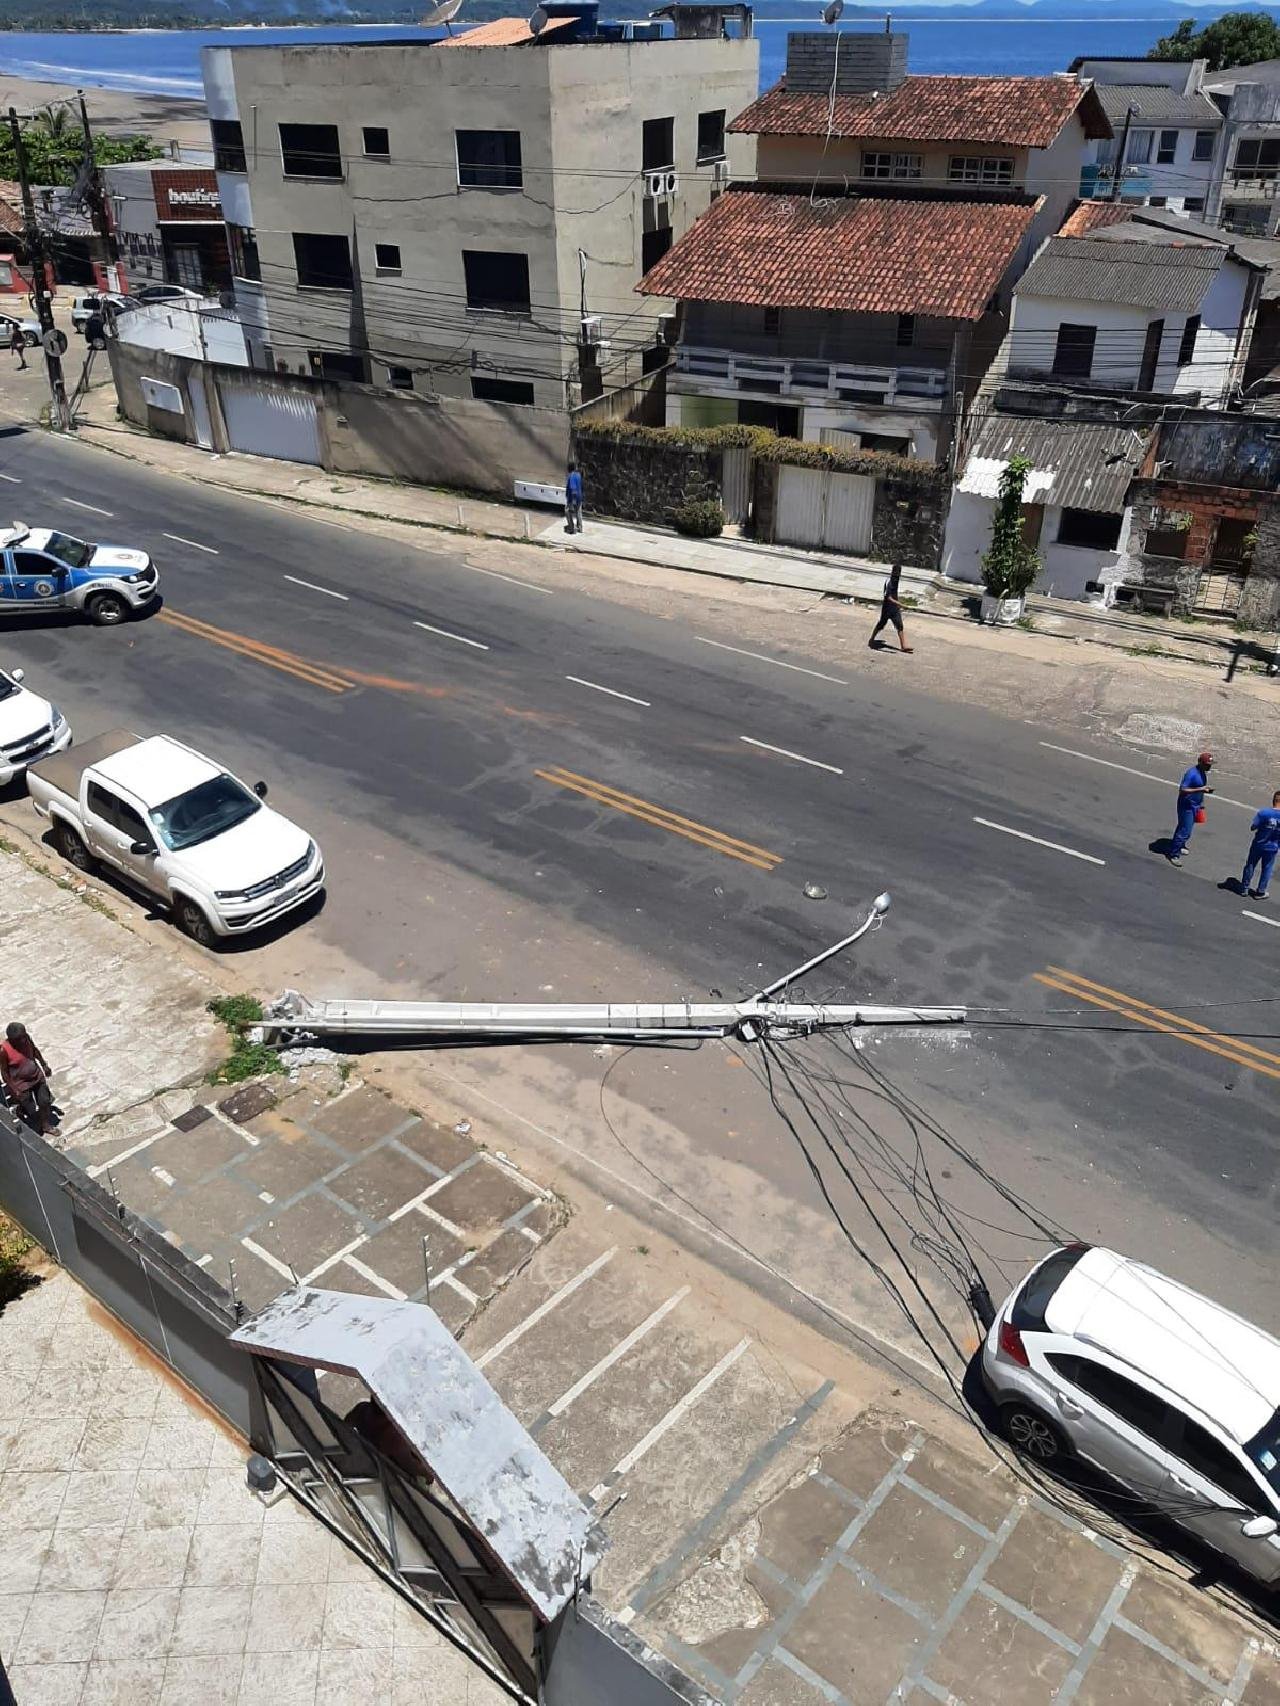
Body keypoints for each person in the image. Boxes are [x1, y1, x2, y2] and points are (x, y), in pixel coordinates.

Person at [1, 1022, 53, 1136]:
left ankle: (45, 1124)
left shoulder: (26, 1039)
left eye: (24, 1036)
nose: (24, 1040)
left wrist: (44, 1065)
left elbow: (34, 1050)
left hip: (36, 1076)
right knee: (30, 1108)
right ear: (12, 1040)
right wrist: (14, 1089)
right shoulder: (4, 1051)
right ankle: (22, 1111)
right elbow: (4, 1073)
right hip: (21, 1084)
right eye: (20, 1039)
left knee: (44, 1101)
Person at [1169, 750, 1214, 864]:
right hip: (1187, 806)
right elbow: (1183, 789)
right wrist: (1201, 789)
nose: (1209, 767)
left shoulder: (1202, 772)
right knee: (1184, 830)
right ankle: (1174, 854)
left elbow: (1200, 789)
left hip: (1195, 805)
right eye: (1207, 765)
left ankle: (1181, 845)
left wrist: (1201, 802)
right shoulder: (1191, 773)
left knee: (1186, 829)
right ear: (1200, 763)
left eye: (1210, 765)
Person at [1241, 790, 1280, 900]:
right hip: (1273, 846)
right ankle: (1261, 891)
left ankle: (1244, 888)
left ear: (1273, 800)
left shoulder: (1264, 813)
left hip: (1259, 843)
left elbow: (1253, 827)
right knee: (1267, 868)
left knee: (1251, 864)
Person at [868, 563, 913, 653]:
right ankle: (871, 639)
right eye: (896, 572)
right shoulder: (889, 581)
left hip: (895, 608)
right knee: (881, 624)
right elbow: (888, 597)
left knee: (899, 625)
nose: (898, 574)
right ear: (893, 572)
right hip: (887, 608)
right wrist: (899, 603)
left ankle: (903, 646)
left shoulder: (896, 579)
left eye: (899, 572)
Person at [564, 461, 583, 535]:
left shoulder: (571, 476)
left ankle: (571, 528)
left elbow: (573, 488)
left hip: (573, 498)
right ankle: (580, 527)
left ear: (569, 468)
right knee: (578, 512)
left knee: (567, 512)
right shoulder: (578, 475)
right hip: (579, 497)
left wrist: (573, 502)